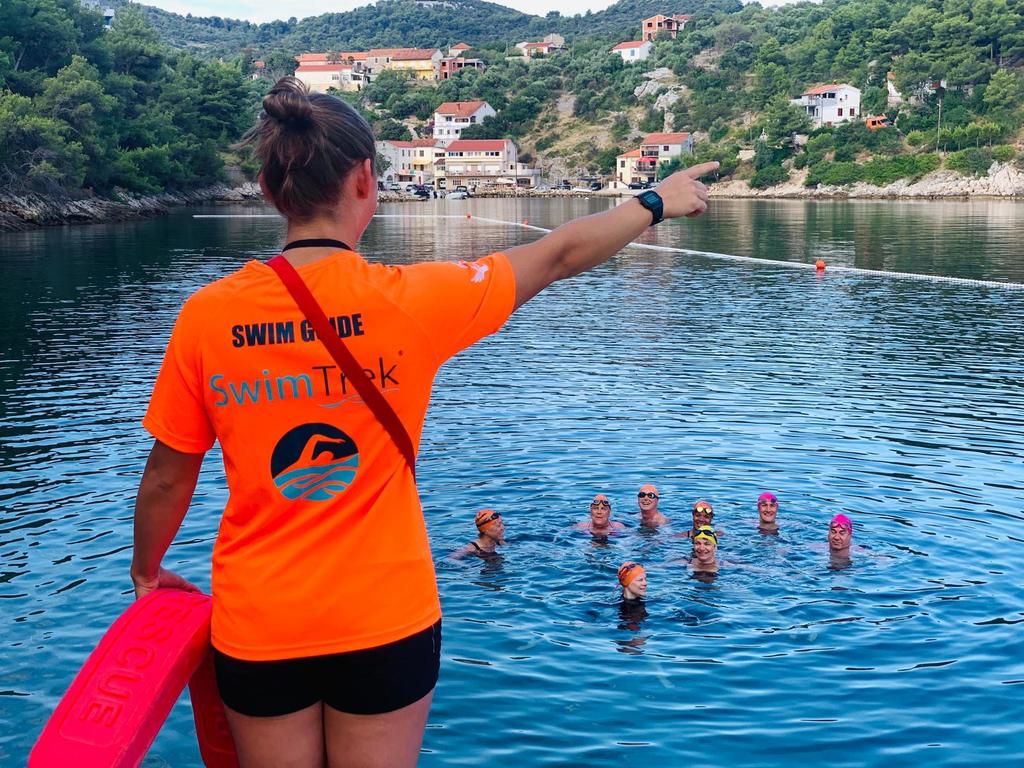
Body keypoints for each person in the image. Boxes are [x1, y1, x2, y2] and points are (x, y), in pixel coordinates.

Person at [130, 76, 715, 768]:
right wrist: (654, 202)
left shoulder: (207, 316)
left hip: (262, 623)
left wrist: (147, 572)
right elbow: (558, 255)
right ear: (366, 181)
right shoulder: (411, 302)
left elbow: (169, 476)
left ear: (267, 187)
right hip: (385, 617)